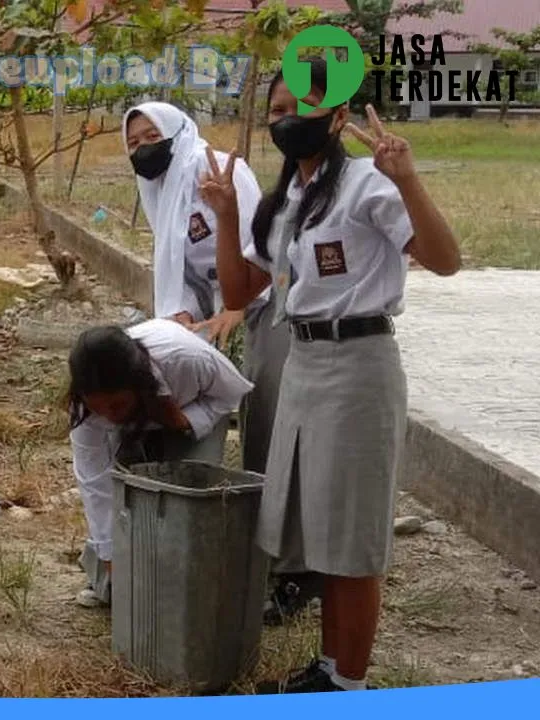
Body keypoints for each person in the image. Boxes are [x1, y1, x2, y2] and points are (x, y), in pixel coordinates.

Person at [200, 58, 462, 693]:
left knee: (350, 537)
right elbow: (241, 291)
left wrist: (408, 180)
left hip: (358, 366)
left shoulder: (369, 186)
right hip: (304, 365)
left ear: (338, 115)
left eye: (301, 108)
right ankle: (328, 666)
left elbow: (446, 260)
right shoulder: (287, 197)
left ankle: (348, 682)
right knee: (319, 526)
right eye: (277, 112)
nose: (287, 121)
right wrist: (228, 220)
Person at [122, 101, 317, 627]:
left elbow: (259, 247)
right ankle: (269, 554)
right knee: (257, 430)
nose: (142, 148)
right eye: (133, 142)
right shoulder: (161, 188)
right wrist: (186, 308)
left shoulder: (212, 168)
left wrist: (232, 304)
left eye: (150, 136)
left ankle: (295, 569)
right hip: (234, 311)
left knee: (275, 431)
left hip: (273, 303)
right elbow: (179, 264)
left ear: (176, 130)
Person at [67, 319, 254, 608]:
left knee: (187, 495)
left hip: (194, 409)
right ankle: (109, 579)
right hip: (141, 420)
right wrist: (110, 556)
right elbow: (96, 485)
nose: (108, 415)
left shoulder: (187, 359)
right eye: (97, 407)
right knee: (127, 491)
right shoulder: (85, 411)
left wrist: (187, 421)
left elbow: (232, 393)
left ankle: (186, 587)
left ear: (138, 384)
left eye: (116, 405)